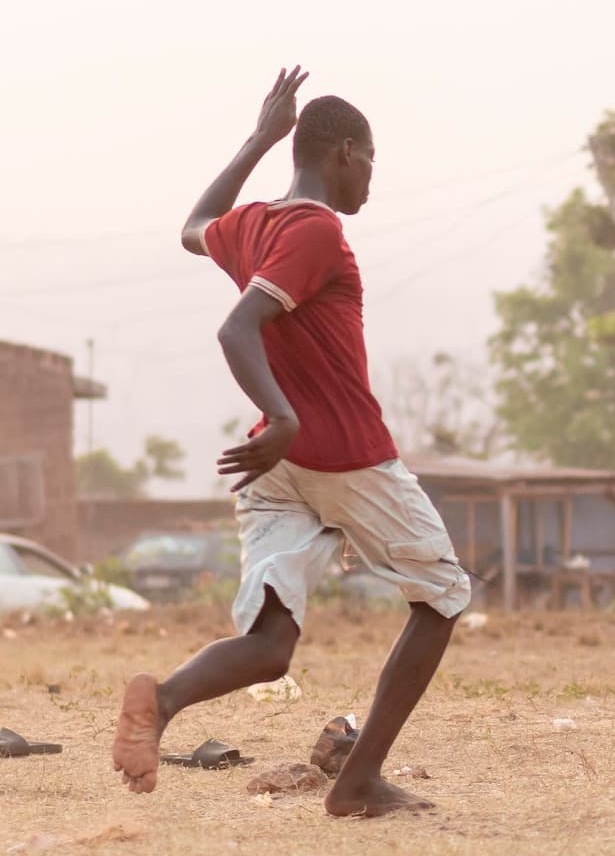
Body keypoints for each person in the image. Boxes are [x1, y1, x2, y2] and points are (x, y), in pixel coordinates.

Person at [112, 68, 471, 817]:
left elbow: (191, 228)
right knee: (442, 595)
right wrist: (283, 416)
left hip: (277, 472)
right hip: (340, 453)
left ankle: (165, 699)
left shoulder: (252, 225)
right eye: (370, 159)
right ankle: (359, 782)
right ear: (344, 151)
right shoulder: (314, 230)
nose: (372, 177)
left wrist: (256, 139)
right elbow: (236, 327)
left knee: (274, 645)